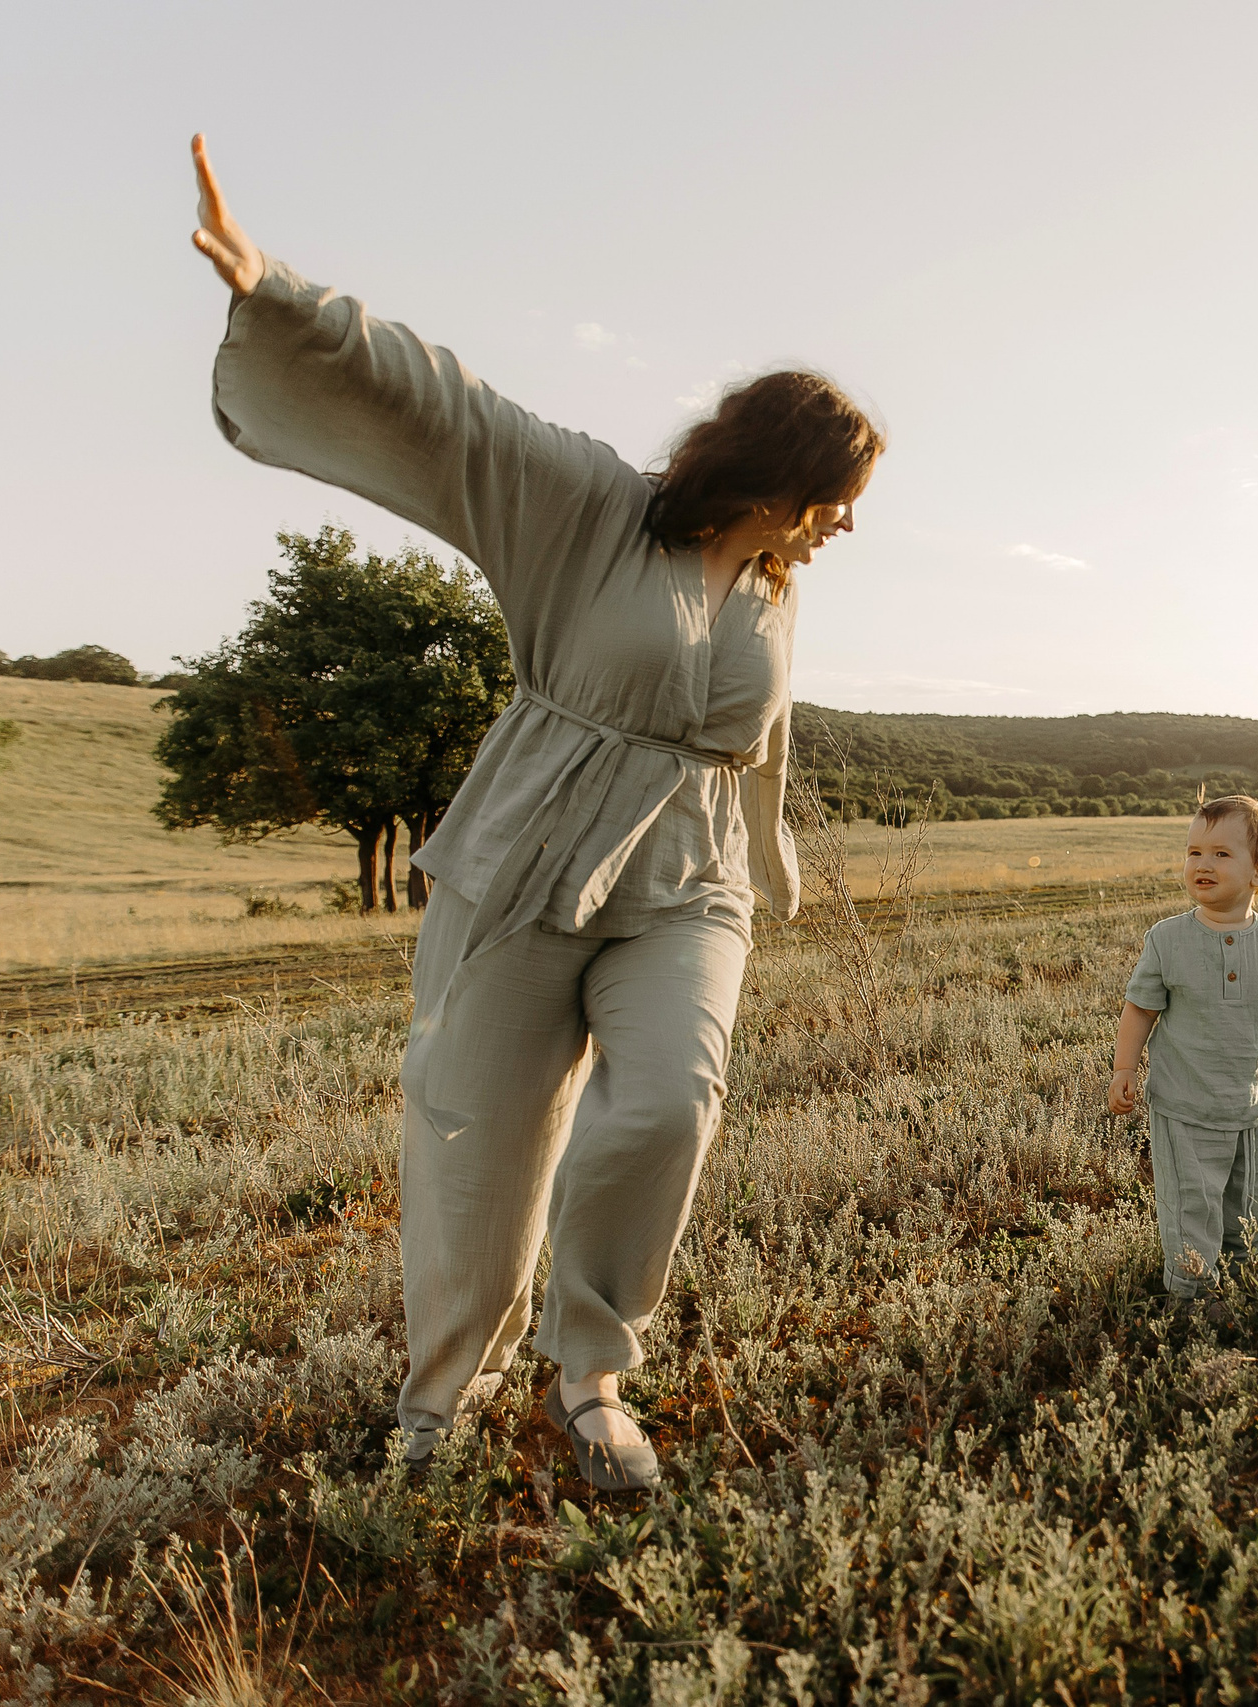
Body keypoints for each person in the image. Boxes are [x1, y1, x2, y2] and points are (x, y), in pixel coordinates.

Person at [188, 135, 886, 1489]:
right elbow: (450, 404)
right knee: (474, 1140)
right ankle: (439, 1401)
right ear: (778, 469)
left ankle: (592, 1374)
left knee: (669, 1103)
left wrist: (766, 864)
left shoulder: (778, 589)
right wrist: (277, 289)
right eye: (837, 499)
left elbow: (761, 743)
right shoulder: (590, 509)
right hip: (525, 858)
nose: (844, 526)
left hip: (687, 884)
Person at [1107, 797, 1258, 1308]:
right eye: (1193, 852)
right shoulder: (1167, 940)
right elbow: (1140, 1008)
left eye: (1221, 854)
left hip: (1249, 1108)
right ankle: (1191, 1296)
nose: (1202, 865)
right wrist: (1125, 1066)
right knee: (1191, 1204)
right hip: (1183, 1106)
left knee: (1250, 1199)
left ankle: (1240, 1276)